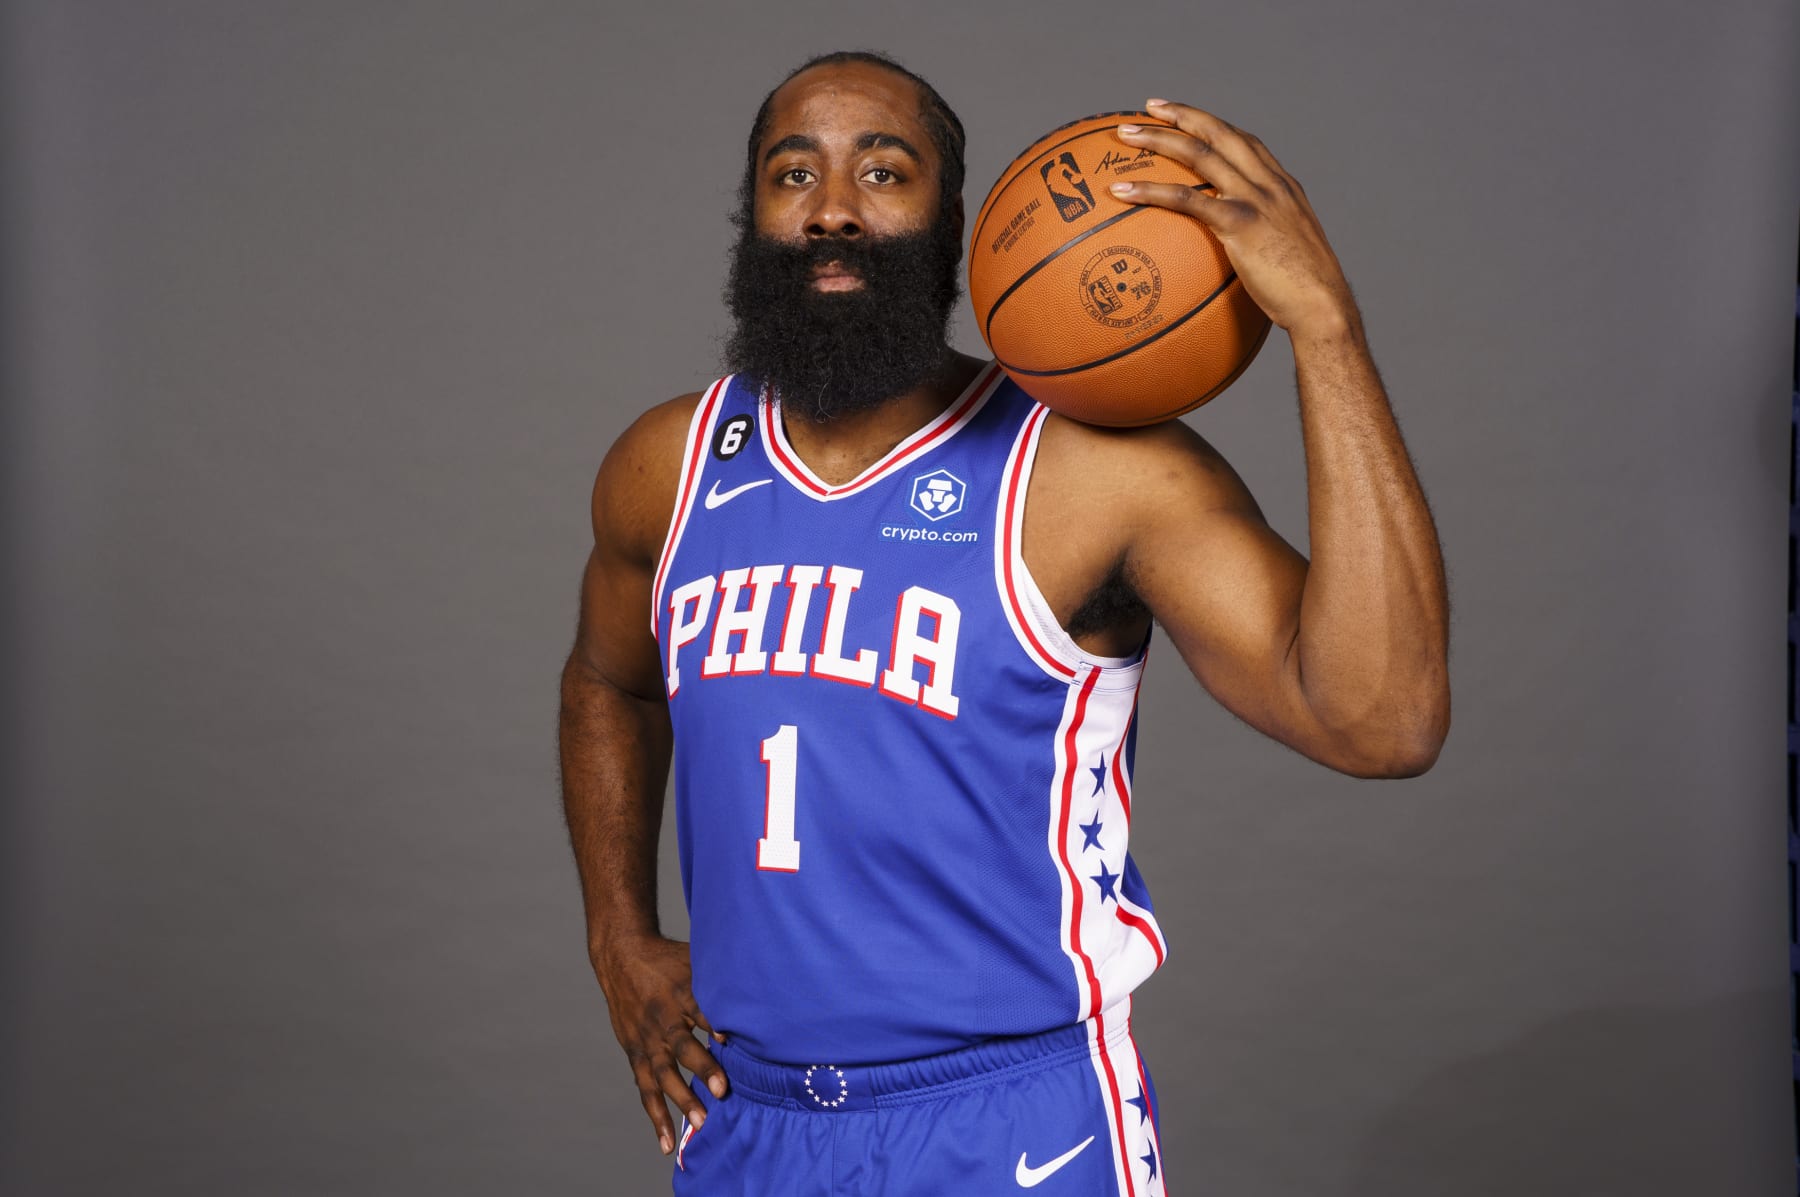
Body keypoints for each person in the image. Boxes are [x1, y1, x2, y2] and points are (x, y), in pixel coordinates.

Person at [558, 49, 1449, 1197]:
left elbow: (1383, 721)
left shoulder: (1094, 474)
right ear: (754, 214)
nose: (833, 209)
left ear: (956, 223)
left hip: (1010, 1124)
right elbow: (608, 681)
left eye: (885, 172)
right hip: (750, 1121)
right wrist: (617, 937)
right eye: (794, 174)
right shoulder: (669, 466)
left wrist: (1327, 331)